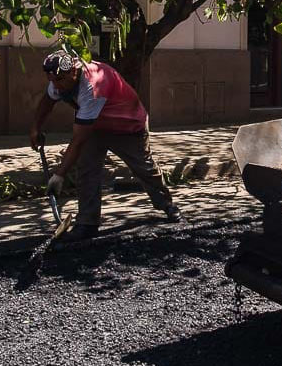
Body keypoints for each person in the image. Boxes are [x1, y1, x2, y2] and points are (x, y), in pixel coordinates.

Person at [29, 50, 181, 241]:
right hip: (97, 126)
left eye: (60, 80)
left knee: (144, 168)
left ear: (73, 72)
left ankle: (167, 204)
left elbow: (78, 139)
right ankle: (87, 223)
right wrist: (35, 128)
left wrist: (59, 175)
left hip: (128, 126)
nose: (56, 85)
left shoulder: (92, 87)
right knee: (87, 169)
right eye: (52, 81)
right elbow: (48, 100)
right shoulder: (59, 78)